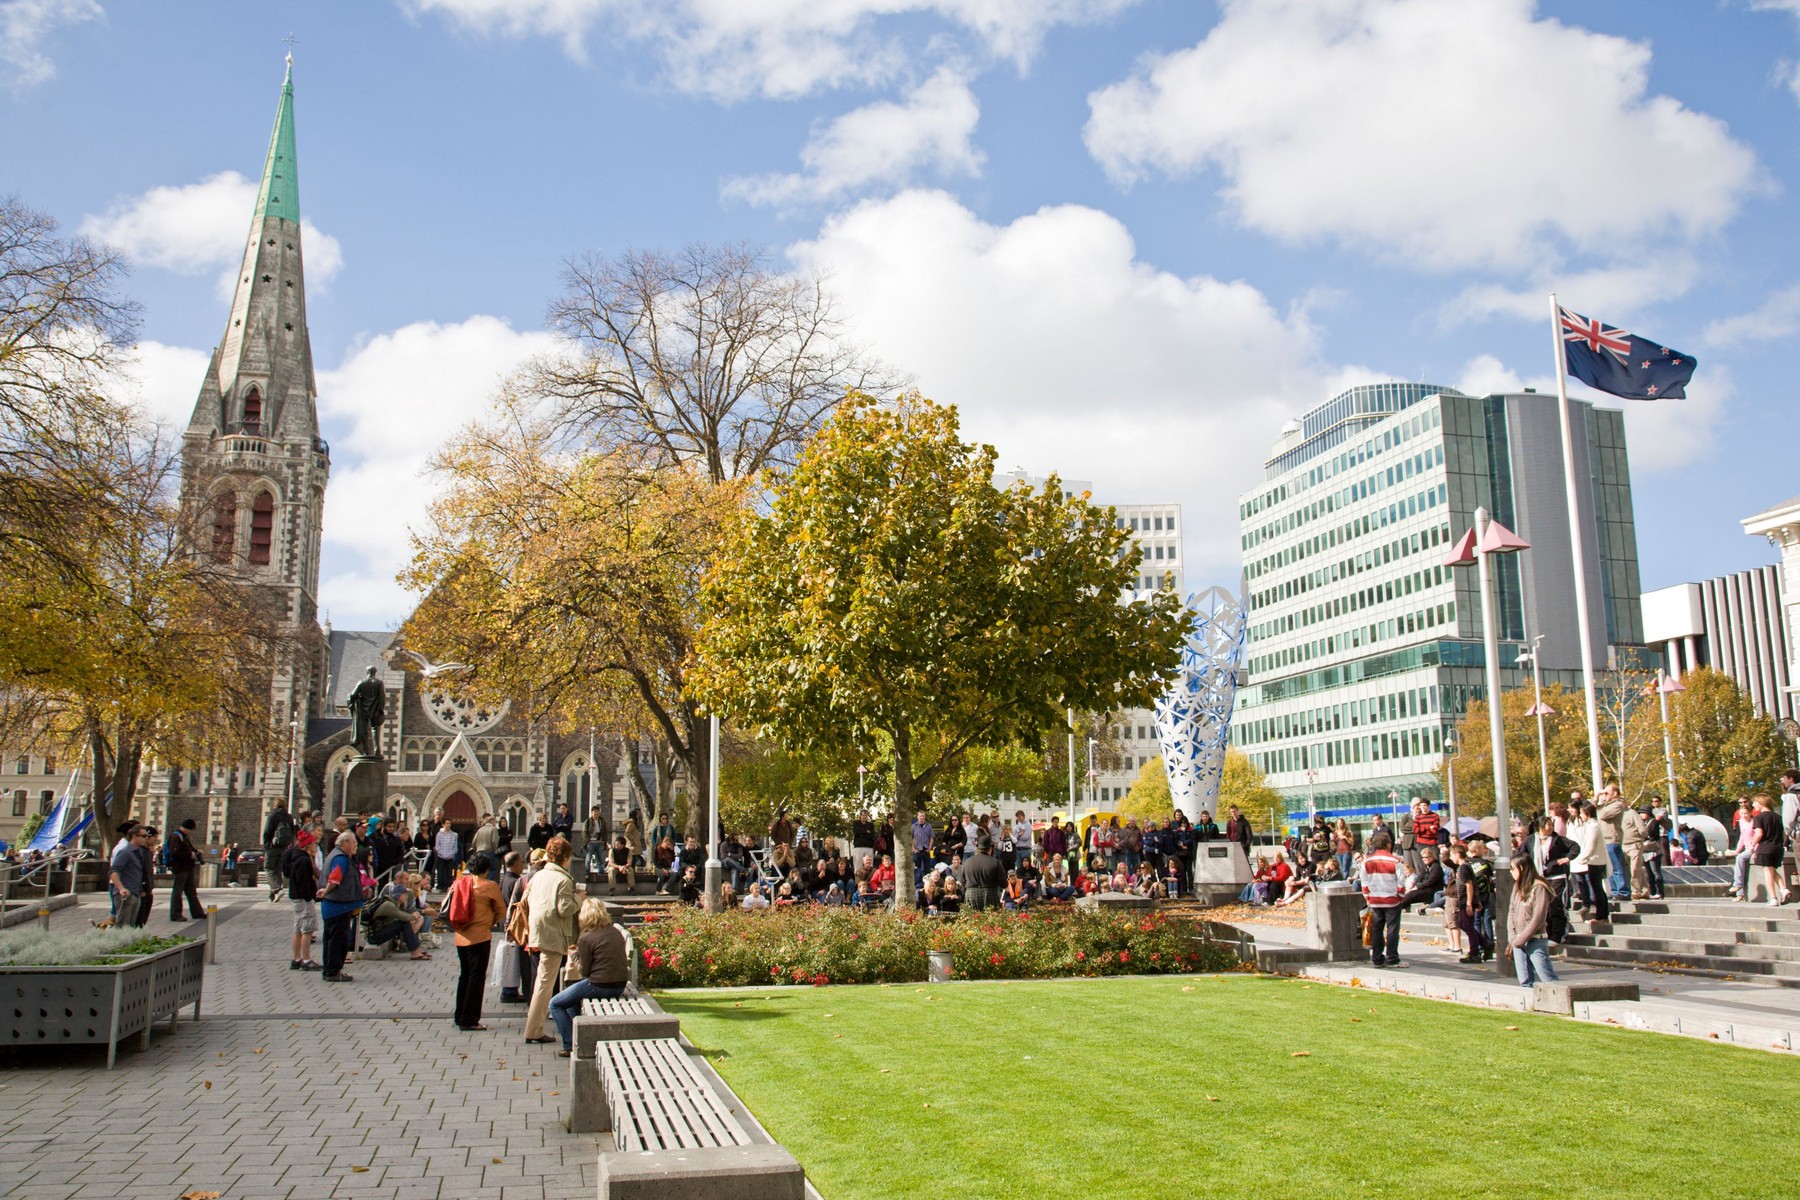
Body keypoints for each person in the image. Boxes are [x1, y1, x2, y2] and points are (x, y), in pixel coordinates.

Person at [549, 898, 631, 1056]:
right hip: (619, 984)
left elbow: (584, 972)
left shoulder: (586, 938)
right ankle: (579, 1036)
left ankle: (570, 1044)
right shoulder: (614, 931)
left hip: (600, 985)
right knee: (571, 1002)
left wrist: (574, 956)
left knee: (555, 1004)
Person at [524, 835, 579, 1045]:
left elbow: (527, 900)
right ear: (565, 857)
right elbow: (564, 909)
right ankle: (534, 1029)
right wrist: (578, 899)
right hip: (555, 934)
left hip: (539, 931)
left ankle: (544, 1024)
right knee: (545, 983)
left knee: (545, 979)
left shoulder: (538, 876)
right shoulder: (563, 879)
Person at [447, 852, 506, 1031]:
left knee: (464, 975)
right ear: (486, 870)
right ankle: (470, 1019)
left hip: (460, 935)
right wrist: (490, 920)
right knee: (477, 977)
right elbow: (501, 910)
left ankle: (460, 1015)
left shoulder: (458, 883)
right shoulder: (489, 886)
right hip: (480, 935)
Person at [1507, 853, 1561, 986]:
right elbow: (1511, 912)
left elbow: (1538, 917)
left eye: (1513, 868)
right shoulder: (1517, 887)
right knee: (1524, 980)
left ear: (1522, 868)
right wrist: (1513, 937)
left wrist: (1521, 939)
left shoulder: (1539, 887)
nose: (1511, 872)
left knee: (1547, 977)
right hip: (1518, 941)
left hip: (1535, 939)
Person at [318, 833, 364, 983]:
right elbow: (334, 879)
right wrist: (326, 891)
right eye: (353, 843)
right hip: (338, 906)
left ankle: (329, 970)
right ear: (344, 843)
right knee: (338, 941)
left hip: (335, 905)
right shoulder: (340, 858)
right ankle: (333, 971)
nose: (355, 846)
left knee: (331, 940)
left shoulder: (334, 855)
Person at [1357, 832, 1407, 968]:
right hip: (1391, 899)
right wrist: (1400, 897)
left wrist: (1367, 897)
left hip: (1375, 899)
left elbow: (1364, 882)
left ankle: (1377, 958)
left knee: (1377, 929)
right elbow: (1401, 882)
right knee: (1392, 929)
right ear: (1388, 844)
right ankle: (1392, 958)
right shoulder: (1395, 861)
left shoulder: (1367, 861)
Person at [284, 830, 320, 970]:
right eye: (314, 844)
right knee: (307, 929)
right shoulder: (304, 860)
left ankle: (296, 958)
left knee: (298, 928)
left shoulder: (296, 858)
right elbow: (304, 882)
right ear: (307, 846)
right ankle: (306, 959)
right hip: (304, 899)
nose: (316, 846)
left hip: (296, 898)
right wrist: (312, 895)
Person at [1749, 794, 1790, 906]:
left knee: (1767, 872)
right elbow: (1784, 832)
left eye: (1755, 802)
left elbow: (1759, 834)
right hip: (1778, 847)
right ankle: (1783, 889)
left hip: (1765, 847)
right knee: (1772, 870)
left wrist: (1752, 844)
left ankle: (1773, 898)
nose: (1753, 805)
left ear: (1761, 802)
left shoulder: (1759, 818)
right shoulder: (1778, 817)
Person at [497, 852, 527, 1003]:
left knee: (511, 955)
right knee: (514, 957)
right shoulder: (516, 881)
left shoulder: (504, 879)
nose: (523, 865)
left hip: (505, 922)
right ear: (515, 864)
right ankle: (509, 990)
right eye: (521, 862)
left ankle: (509, 989)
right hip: (515, 924)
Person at [108, 825, 151, 928]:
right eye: (143, 836)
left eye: (147, 836)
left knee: (131, 926)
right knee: (123, 925)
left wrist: (141, 890)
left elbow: (138, 872)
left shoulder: (139, 851)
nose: (146, 838)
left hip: (135, 893)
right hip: (126, 894)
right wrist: (121, 888)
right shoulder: (125, 852)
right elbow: (113, 871)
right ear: (134, 836)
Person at [165, 818, 205, 921]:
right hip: (180, 868)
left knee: (191, 891)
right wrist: (189, 855)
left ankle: (197, 912)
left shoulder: (184, 837)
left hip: (187, 867)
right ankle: (175, 914)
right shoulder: (176, 836)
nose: (191, 832)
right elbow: (174, 852)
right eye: (191, 829)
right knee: (177, 891)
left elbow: (189, 848)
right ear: (188, 828)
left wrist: (196, 852)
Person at [263, 798, 296, 901]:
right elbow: (292, 831)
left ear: (275, 805)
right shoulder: (289, 817)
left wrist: (266, 844)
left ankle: (277, 890)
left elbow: (267, 831)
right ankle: (272, 896)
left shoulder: (273, 816)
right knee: (277, 870)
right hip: (284, 847)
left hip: (273, 846)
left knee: (268, 869)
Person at [432, 821, 461, 891]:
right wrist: (440, 852)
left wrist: (452, 853)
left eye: (450, 823)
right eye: (447, 823)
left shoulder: (454, 835)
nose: (449, 825)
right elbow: (437, 845)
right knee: (440, 872)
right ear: (443, 824)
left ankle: (448, 886)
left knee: (449, 872)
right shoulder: (439, 834)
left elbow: (455, 846)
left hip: (450, 856)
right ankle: (440, 886)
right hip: (441, 856)